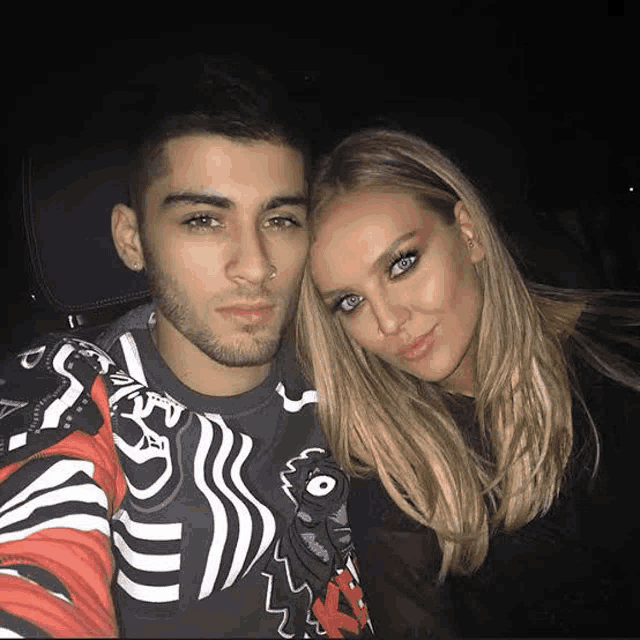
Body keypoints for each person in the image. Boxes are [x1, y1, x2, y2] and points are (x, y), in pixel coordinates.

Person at [0, 59, 374, 638]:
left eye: (279, 219)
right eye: (203, 219)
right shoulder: (69, 393)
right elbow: (36, 567)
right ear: (133, 240)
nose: (255, 266)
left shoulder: (357, 350)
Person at [296, 127, 640, 638]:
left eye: (402, 264)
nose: (389, 322)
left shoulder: (618, 352)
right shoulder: (394, 478)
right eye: (350, 302)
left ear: (470, 233)